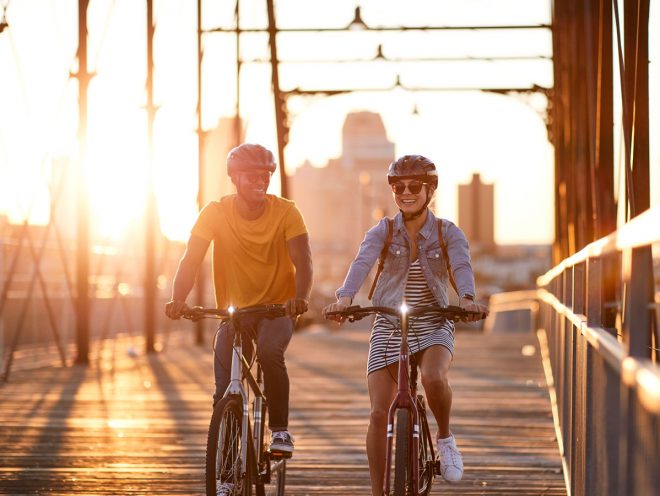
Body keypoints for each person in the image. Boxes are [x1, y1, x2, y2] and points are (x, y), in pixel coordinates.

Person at [322, 155, 488, 495]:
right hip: (390, 323)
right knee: (378, 413)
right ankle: (378, 491)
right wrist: (344, 297)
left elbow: (460, 266)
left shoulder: (447, 232)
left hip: (433, 321)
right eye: (399, 187)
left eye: (415, 186)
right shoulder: (382, 231)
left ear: (430, 190)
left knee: (431, 377)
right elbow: (362, 261)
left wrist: (468, 298)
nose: (406, 193)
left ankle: (444, 437)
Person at [165, 143, 313, 461]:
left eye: (266, 175)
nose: (260, 181)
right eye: (252, 176)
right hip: (236, 314)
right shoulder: (215, 213)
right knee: (224, 390)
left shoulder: (286, 211)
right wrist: (178, 299)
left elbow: (304, 260)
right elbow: (191, 260)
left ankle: (280, 429)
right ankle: (230, 464)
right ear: (234, 177)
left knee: (271, 352)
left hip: (277, 308)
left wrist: (299, 298)